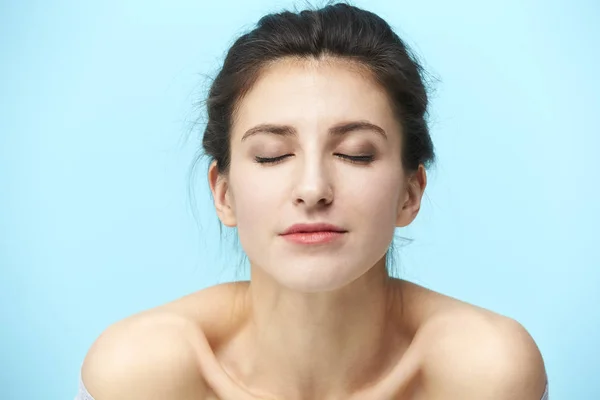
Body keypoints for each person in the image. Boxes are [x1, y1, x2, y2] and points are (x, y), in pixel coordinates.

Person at [76, 3, 549, 399]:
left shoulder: (486, 373)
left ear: (411, 193)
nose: (313, 188)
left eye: (355, 154)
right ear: (224, 193)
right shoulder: (138, 373)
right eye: (272, 155)